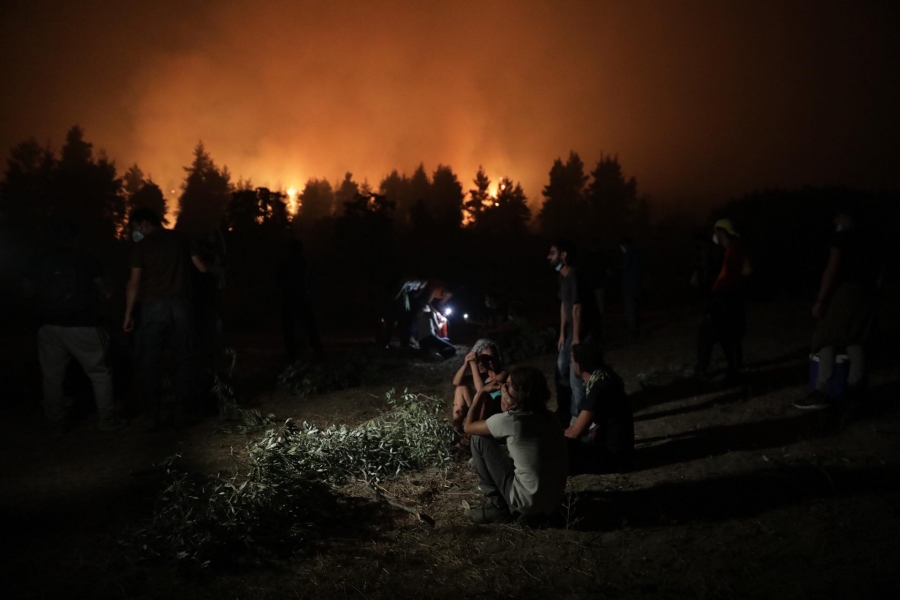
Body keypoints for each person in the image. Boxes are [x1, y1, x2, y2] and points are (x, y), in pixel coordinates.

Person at [33, 220, 124, 435]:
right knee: (100, 372)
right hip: (83, 324)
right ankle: (107, 419)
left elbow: (27, 290)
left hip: (48, 325)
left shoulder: (40, 260)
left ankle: (56, 423)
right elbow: (106, 293)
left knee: (52, 376)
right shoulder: (87, 261)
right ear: (77, 237)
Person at [124, 208, 209, 431]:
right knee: (184, 358)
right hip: (181, 305)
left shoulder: (141, 246)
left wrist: (128, 313)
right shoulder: (181, 238)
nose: (134, 232)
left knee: (151, 361)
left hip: (152, 308)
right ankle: (182, 413)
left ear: (143, 224)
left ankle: (153, 415)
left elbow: (134, 283)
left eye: (135, 228)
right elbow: (202, 268)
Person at [794, 204, 882, 410]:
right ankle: (855, 390)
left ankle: (821, 391)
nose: (835, 222)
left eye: (839, 217)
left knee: (825, 337)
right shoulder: (873, 240)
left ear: (846, 218)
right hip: (867, 294)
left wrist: (820, 301)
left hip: (845, 292)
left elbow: (831, 271)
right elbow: (880, 275)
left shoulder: (842, 238)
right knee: (856, 339)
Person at [462, 366, 569, 525]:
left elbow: (468, 427)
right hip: (553, 502)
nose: (503, 387)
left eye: (509, 385)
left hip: (526, 502)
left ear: (521, 393)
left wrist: (482, 392)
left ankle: (499, 507)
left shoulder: (513, 421)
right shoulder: (551, 418)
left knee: (479, 440)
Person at [547, 239, 599, 427]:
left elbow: (577, 308)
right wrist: (562, 334)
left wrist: (576, 340)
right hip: (571, 331)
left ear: (564, 255)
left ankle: (580, 415)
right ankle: (566, 410)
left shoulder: (575, 275)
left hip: (585, 331)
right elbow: (564, 305)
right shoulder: (562, 277)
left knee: (576, 372)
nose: (548, 257)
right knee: (561, 367)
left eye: (552, 253)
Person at [695, 219, 751, 387]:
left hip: (722, 298)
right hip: (728, 297)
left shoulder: (732, 249)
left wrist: (727, 288)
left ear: (722, 232)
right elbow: (748, 269)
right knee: (729, 336)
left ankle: (704, 369)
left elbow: (744, 270)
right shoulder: (734, 247)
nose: (714, 235)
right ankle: (733, 370)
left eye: (716, 232)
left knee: (707, 335)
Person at [566, 342, 634, 473]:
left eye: (572, 361)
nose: (571, 365)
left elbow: (574, 434)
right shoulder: (605, 378)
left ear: (579, 365)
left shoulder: (598, 389)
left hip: (614, 458)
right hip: (620, 453)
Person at [276, 239, 324, 362]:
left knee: (289, 331)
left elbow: (279, 282)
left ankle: (291, 357)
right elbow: (311, 281)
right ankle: (320, 354)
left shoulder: (284, 264)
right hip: (303, 299)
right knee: (311, 328)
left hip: (288, 300)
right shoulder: (305, 263)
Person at [451, 338, 508, 432]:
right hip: (480, 409)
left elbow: (482, 390)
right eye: (486, 359)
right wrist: (466, 364)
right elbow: (456, 382)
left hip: (494, 410)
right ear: (481, 361)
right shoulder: (483, 375)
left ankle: (470, 434)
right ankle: (456, 428)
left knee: (480, 395)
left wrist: (473, 365)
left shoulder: (503, 374)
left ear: (498, 356)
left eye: (493, 356)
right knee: (461, 388)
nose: (490, 361)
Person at [619, 238, 644, 339]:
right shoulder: (637, 254)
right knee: (635, 307)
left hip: (629, 285)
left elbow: (625, 265)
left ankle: (633, 329)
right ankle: (636, 327)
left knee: (630, 307)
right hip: (635, 284)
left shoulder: (628, 255)